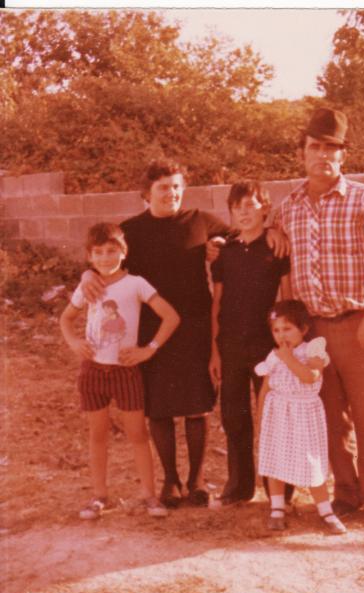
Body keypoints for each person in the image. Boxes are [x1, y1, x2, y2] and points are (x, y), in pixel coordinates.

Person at [81, 158, 287, 508]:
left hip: (195, 326)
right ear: (147, 193)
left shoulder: (199, 221)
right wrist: (88, 274)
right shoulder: (131, 230)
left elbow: (243, 231)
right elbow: (103, 257)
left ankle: (197, 481)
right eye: (163, 188)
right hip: (152, 329)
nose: (171, 193)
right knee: (159, 409)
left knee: (197, 407)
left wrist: (273, 231)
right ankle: (171, 482)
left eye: (177, 186)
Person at [275, 107, 364, 528]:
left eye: (332, 148)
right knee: (328, 417)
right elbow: (264, 234)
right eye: (315, 147)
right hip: (314, 331)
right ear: (302, 153)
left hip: (358, 323)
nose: (323, 155)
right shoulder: (289, 207)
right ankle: (345, 492)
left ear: (343, 155)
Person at [60, 222, 180, 519]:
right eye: (98, 252)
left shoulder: (136, 284)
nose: (105, 258)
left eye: (111, 251)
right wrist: (74, 342)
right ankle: (99, 496)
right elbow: (66, 319)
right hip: (93, 371)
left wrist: (148, 349)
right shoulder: (88, 285)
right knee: (97, 435)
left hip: (125, 371)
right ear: (89, 256)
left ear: (124, 252)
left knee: (137, 434)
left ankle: (150, 496)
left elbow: (171, 316)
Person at [209, 181, 292, 506]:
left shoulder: (275, 249)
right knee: (235, 416)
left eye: (250, 205)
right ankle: (239, 485)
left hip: (266, 347)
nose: (243, 212)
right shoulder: (225, 254)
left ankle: (279, 488)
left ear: (264, 208)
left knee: (272, 415)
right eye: (237, 207)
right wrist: (214, 351)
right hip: (231, 346)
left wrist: (286, 347)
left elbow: (287, 299)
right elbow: (217, 304)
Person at [255, 300, 346, 535]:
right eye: (276, 330)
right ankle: (277, 508)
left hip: (304, 414)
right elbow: (266, 388)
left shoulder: (312, 351)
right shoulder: (273, 355)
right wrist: (260, 419)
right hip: (278, 412)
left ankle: (325, 510)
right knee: (275, 459)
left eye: (287, 329)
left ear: (303, 329)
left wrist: (288, 358)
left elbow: (310, 377)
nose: (281, 335)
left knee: (310, 461)